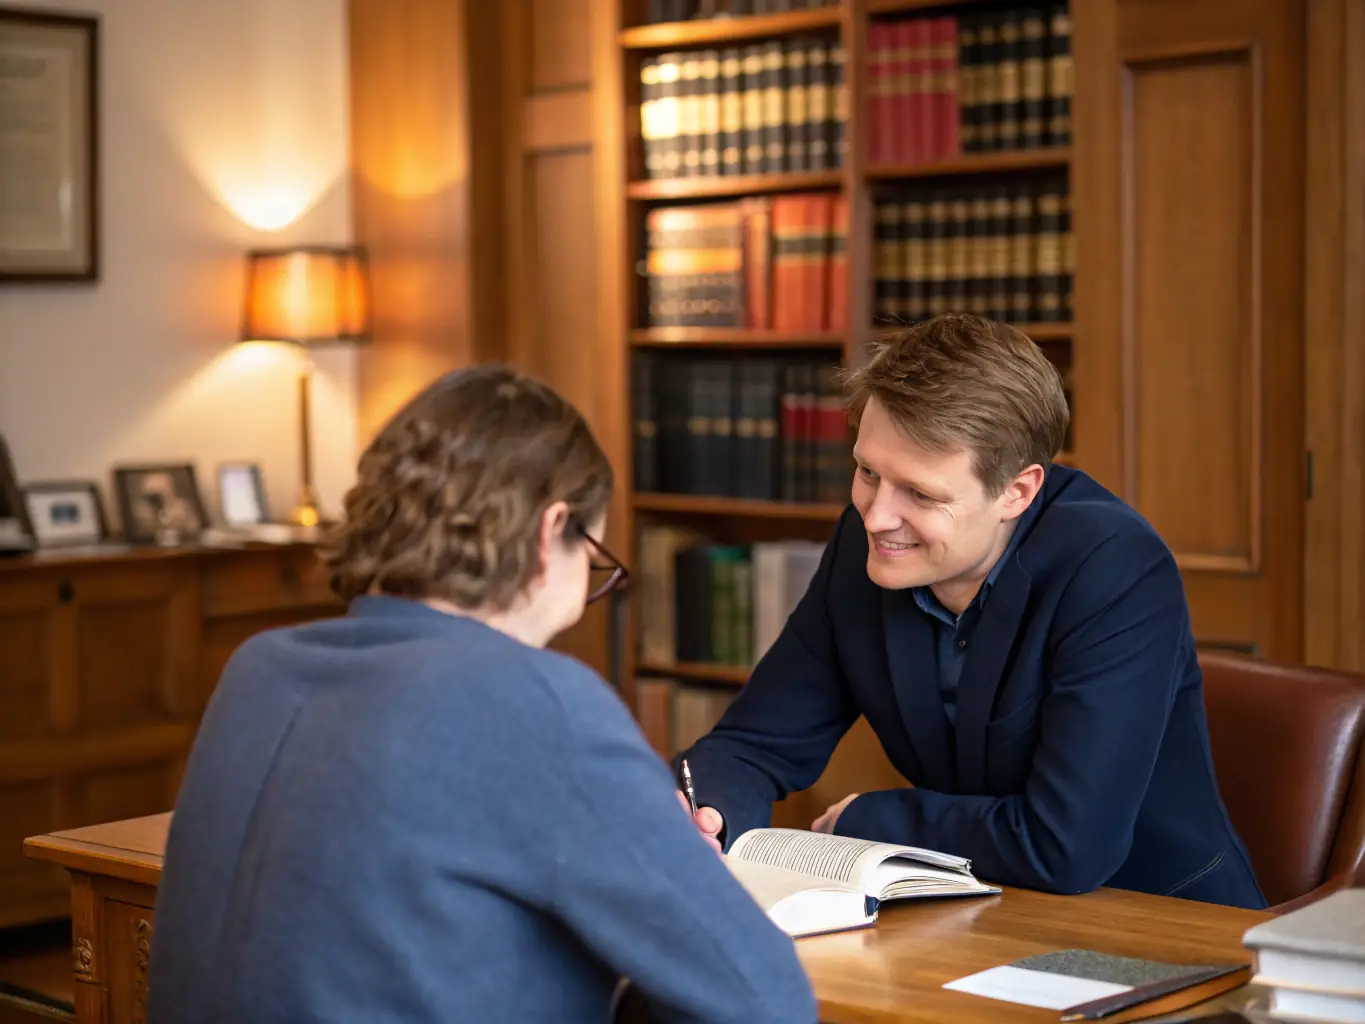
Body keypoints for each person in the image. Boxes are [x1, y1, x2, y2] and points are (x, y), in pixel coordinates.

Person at [147, 365, 818, 1023]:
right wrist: (687, 878)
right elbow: (762, 997)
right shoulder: (534, 701)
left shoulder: (257, 669)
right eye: (590, 551)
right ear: (545, 533)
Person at [677, 314, 1266, 910]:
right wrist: (708, 814)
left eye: (922, 494)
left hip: (1158, 921)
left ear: (1017, 491)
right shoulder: (871, 545)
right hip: (978, 912)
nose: (877, 515)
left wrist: (869, 817)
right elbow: (754, 743)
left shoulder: (1115, 569)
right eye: (868, 472)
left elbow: (1069, 847)